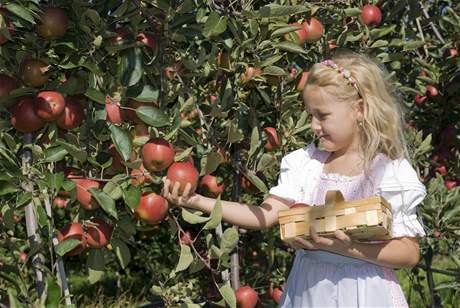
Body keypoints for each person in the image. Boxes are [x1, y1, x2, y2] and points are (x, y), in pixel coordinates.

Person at [162, 51, 426, 307]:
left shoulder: (388, 172)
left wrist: (347, 248)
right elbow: (264, 215)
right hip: (309, 293)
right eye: (311, 115)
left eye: (322, 115)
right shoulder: (306, 164)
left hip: (365, 293)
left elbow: (408, 253)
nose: (313, 125)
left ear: (359, 109)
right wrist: (197, 201)